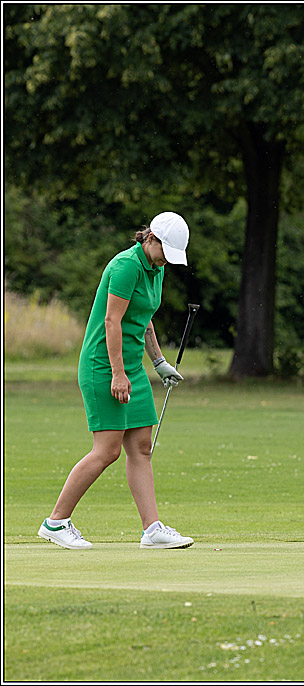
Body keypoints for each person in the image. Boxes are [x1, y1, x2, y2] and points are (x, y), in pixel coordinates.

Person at [38, 212, 194, 550]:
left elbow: (144, 319)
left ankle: (152, 530)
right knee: (106, 450)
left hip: (132, 367)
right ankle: (56, 522)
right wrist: (118, 374)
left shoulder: (157, 269)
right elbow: (113, 321)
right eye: (165, 250)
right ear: (150, 238)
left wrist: (160, 362)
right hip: (103, 366)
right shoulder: (127, 266)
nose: (167, 259)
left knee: (141, 447)